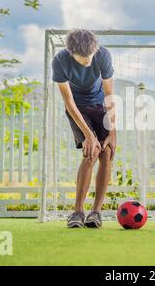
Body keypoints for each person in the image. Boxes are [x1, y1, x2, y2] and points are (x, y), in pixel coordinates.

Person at [51, 29, 116, 229]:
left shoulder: (102, 55)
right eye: (83, 57)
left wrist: (112, 131)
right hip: (78, 109)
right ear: (72, 52)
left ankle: (96, 212)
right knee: (91, 152)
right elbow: (69, 102)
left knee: (106, 152)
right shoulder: (60, 61)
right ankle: (77, 212)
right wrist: (88, 135)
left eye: (91, 55)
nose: (88, 60)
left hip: (101, 106)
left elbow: (109, 94)